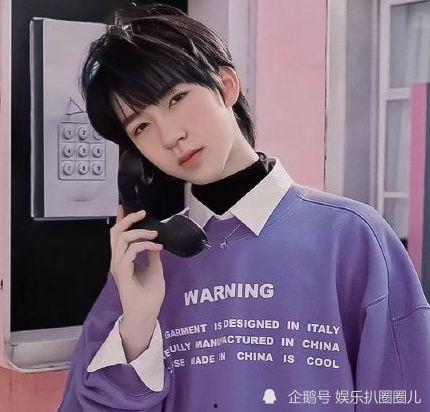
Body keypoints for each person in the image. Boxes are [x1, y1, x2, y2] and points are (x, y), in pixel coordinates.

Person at [58, 4, 430, 411]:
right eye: (141, 126)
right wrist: (137, 326)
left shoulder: (352, 237)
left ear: (226, 85)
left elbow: (404, 393)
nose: (170, 136)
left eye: (177, 98)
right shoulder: (147, 266)